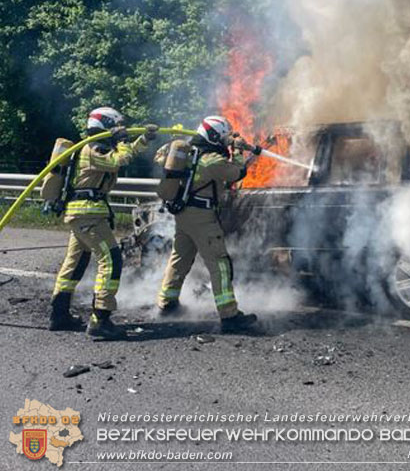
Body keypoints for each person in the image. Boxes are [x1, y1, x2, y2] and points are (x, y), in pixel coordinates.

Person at [50, 107, 158, 339]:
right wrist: (123, 141)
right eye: (116, 126)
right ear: (106, 125)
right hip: (88, 215)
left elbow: (123, 153)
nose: (118, 130)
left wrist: (143, 140)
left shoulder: (95, 147)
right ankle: (101, 319)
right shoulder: (94, 148)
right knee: (111, 260)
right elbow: (121, 159)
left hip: (83, 214)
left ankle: (59, 315)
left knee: (75, 263)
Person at [156, 115, 258, 333]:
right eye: (222, 137)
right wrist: (238, 151)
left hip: (183, 215)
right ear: (213, 137)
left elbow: (160, 157)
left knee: (180, 258)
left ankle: (167, 303)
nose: (225, 141)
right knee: (219, 262)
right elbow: (237, 173)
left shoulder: (186, 154)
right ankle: (229, 316)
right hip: (202, 217)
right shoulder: (212, 160)